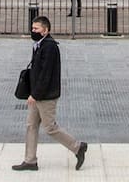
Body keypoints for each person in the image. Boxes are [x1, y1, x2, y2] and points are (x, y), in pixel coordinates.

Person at [12, 16, 88, 172]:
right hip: (36, 94)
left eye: (36, 29)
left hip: (46, 96)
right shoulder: (39, 45)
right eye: (32, 28)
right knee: (31, 125)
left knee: (50, 128)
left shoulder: (50, 47)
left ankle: (78, 147)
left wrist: (35, 94)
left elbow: (45, 75)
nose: (33, 31)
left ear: (45, 30)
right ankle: (30, 160)